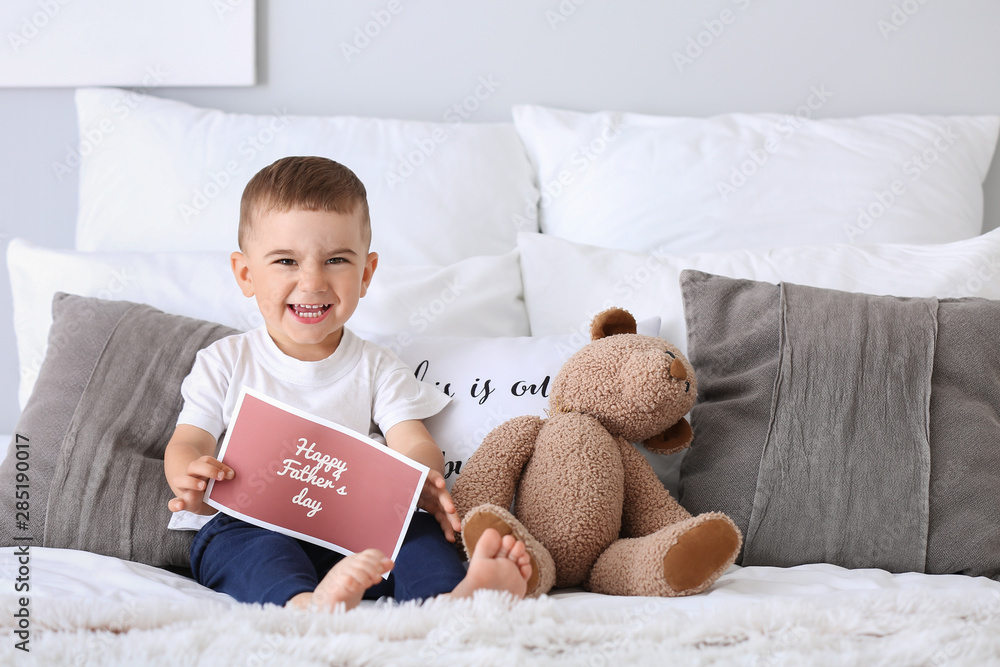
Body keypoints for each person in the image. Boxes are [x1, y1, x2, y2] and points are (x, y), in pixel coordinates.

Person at [163, 156, 531, 611]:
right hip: (255, 520)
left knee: (417, 536)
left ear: (366, 274)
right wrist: (190, 475)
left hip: (357, 530)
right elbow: (189, 440)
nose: (313, 281)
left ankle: (450, 601)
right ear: (246, 274)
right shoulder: (224, 360)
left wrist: (419, 480)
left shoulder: (377, 366)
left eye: (336, 259)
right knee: (243, 548)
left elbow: (413, 442)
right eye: (285, 261)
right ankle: (304, 605)